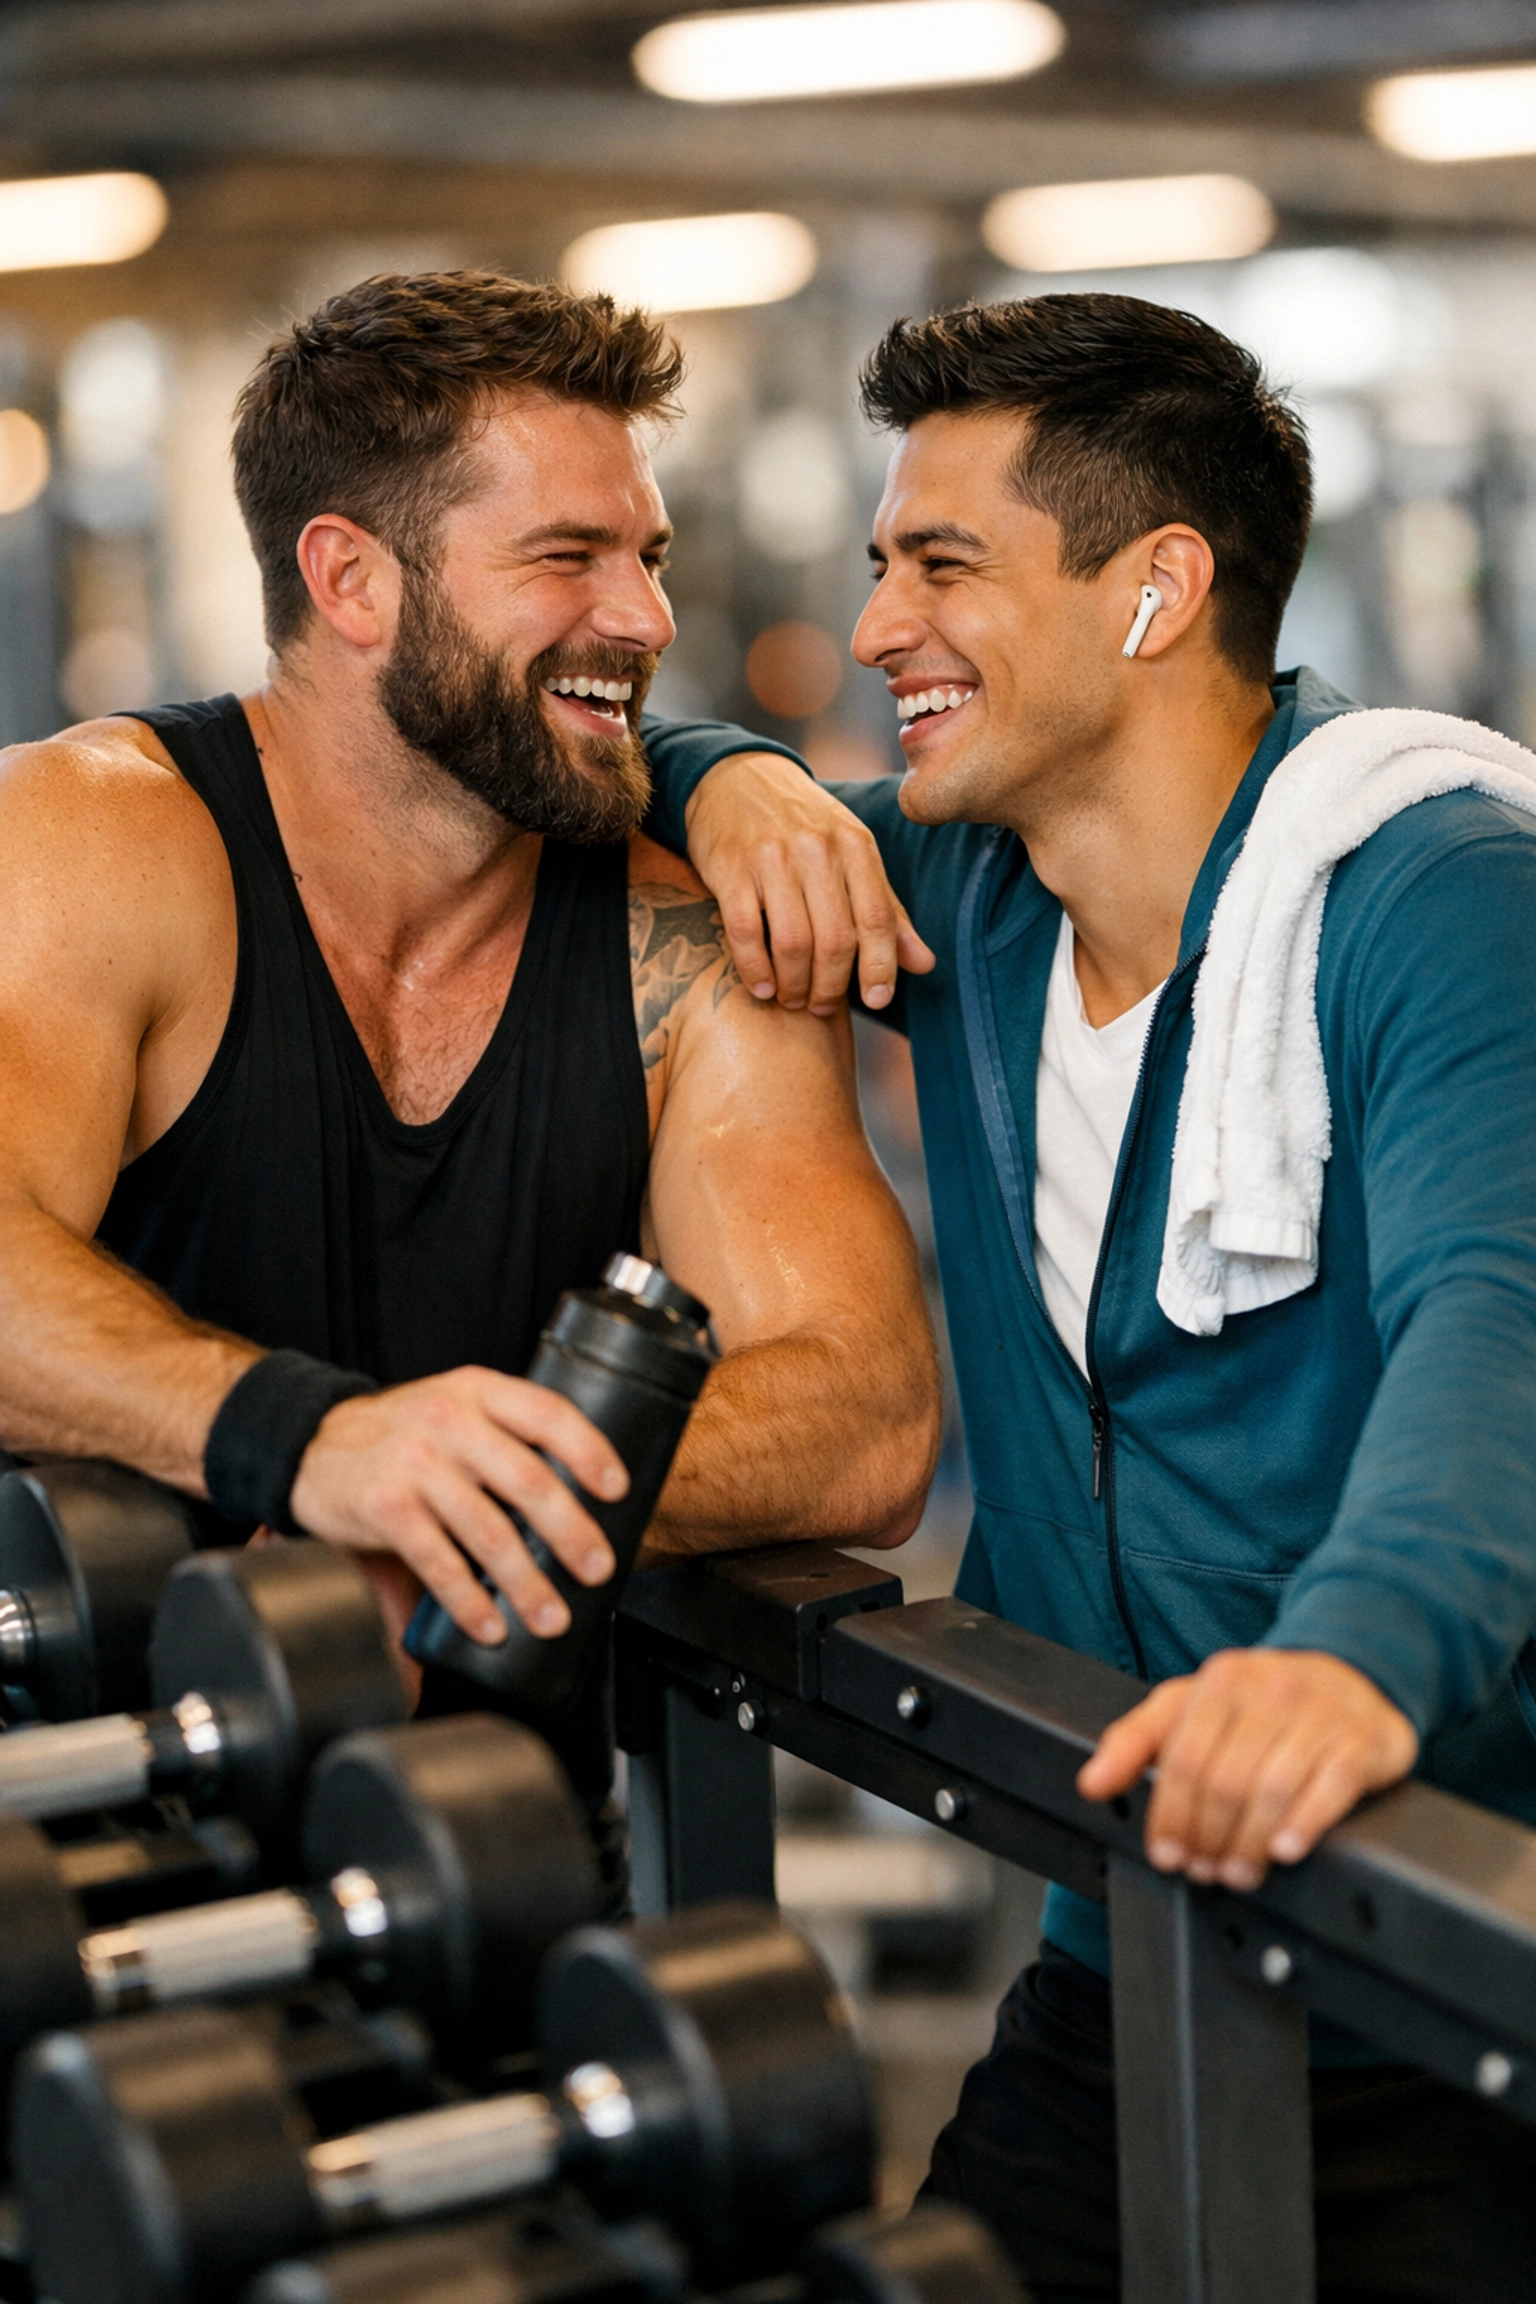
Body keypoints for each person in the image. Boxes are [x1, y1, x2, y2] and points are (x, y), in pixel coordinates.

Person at [644, 294, 1536, 2295]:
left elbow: (1511, 1321)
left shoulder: (1440, 895)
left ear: (1156, 592)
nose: (879, 630)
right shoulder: (961, 895)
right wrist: (730, 777)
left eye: (943, 567)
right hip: (1128, 1921)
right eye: (880, 567)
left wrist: (1353, 1661)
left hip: (1444, 1942)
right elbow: (621, 804)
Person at [0, 272, 940, 1821]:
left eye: (647, 555)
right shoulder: (94, 841)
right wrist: (314, 1446)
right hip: (89, 1858)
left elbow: (866, 1413)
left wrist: (451, 1494)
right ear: (352, 581)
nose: (643, 618)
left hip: (498, 1884)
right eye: (565, 558)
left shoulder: (682, 935)